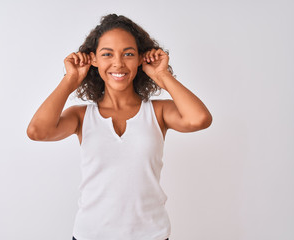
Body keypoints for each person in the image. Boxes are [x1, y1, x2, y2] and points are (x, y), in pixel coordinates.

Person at [27, 14, 212, 240]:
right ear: (93, 59)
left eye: (128, 54)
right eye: (107, 54)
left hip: (151, 234)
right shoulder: (82, 116)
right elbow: (37, 131)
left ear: (140, 59)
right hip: (90, 234)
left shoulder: (158, 112)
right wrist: (70, 80)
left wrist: (162, 75)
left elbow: (200, 119)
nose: (118, 63)